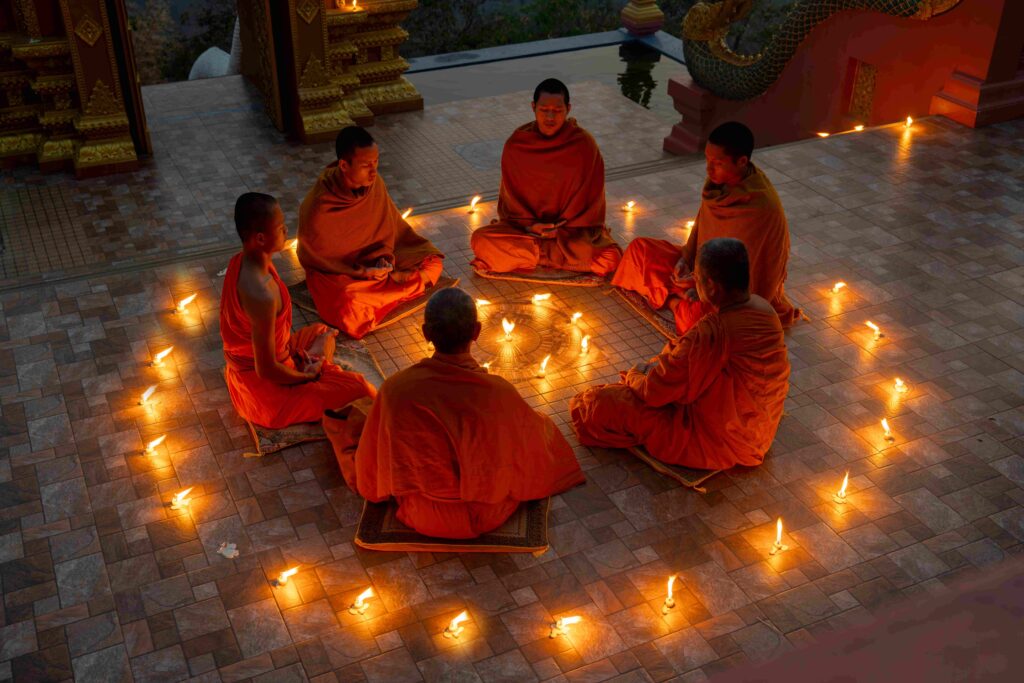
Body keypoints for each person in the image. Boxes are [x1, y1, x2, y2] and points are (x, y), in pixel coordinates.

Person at [352, 288, 585, 539]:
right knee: (539, 426)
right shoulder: (498, 393)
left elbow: (371, 465)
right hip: (487, 513)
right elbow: (525, 451)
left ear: (426, 333)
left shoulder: (394, 389)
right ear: (477, 331)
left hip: (422, 513)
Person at [570, 238, 790, 470]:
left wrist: (637, 376)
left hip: (717, 440)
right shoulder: (764, 309)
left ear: (712, 287)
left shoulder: (712, 333)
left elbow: (655, 392)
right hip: (760, 430)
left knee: (596, 405)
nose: (694, 283)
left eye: (697, 278)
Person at [612, 121, 801, 334]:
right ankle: (679, 297)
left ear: (741, 161)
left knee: (703, 323)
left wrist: (699, 286)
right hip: (700, 273)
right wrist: (685, 260)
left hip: (726, 293)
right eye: (707, 160)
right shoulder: (718, 187)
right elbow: (700, 230)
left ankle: (673, 301)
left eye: (717, 163)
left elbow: (749, 280)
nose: (709, 169)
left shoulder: (760, 208)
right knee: (639, 250)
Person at [220, 192, 376, 429]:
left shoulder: (243, 260)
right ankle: (314, 368)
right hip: (265, 389)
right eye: (281, 227)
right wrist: (306, 376)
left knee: (321, 331)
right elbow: (267, 369)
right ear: (261, 238)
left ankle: (312, 361)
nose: (286, 230)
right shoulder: (260, 293)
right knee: (362, 390)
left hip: (274, 357)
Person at [298, 126, 444, 339]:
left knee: (433, 262)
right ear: (344, 165)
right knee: (349, 304)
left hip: (379, 264)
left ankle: (399, 282)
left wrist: (384, 260)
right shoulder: (320, 205)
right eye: (366, 165)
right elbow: (314, 259)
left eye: (376, 163)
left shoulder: (375, 183)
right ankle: (409, 283)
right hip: (341, 274)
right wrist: (362, 273)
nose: (374, 172)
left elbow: (388, 230)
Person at [470, 78, 621, 276]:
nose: (550, 116)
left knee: (611, 257)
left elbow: (591, 203)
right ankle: (556, 259)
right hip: (529, 232)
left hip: (569, 234)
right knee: (480, 239)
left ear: (568, 109)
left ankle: (536, 257)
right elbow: (511, 204)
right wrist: (532, 226)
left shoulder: (583, 145)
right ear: (533, 107)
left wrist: (561, 230)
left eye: (557, 111)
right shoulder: (517, 145)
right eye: (544, 110)